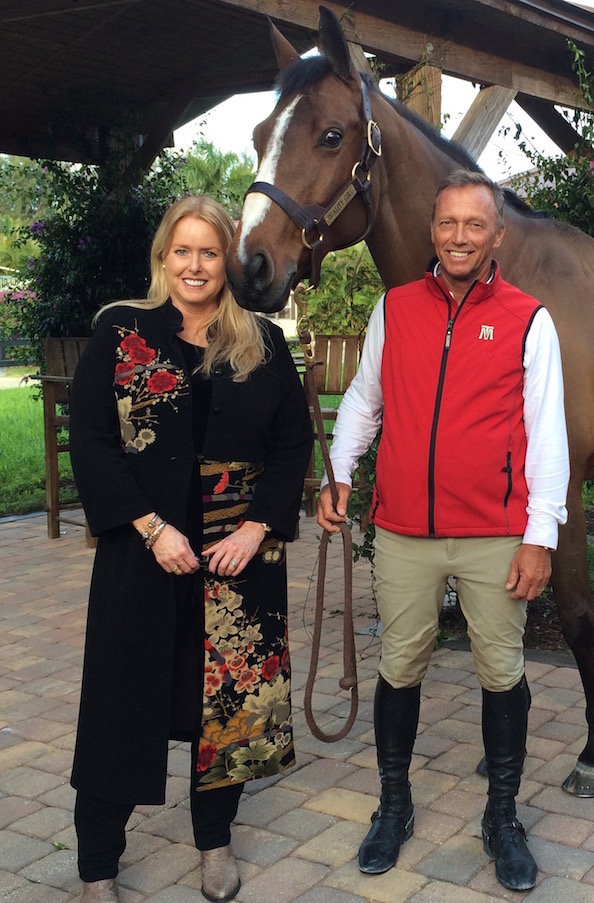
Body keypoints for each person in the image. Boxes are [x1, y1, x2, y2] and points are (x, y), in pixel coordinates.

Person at [317, 170, 569, 892]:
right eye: (448, 223)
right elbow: (365, 400)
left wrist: (539, 535)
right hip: (402, 529)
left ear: (497, 235)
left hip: (496, 532)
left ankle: (502, 815)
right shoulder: (394, 310)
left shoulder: (529, 318)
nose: (460, 236)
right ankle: (393, 805)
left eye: (474, 224)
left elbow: (546, 434)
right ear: (433, 232)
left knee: (502, 669)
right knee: (400, 665)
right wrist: (340, 471)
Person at [69, 194, 313, 903]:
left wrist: (256, 527)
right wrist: (150, 526)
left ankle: (215, 844)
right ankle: (97, 868)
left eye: (209, 251)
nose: (195, 265)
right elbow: (93, 441)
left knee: (227, 708)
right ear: (162, 258)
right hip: (141, 556)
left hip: (237, 562)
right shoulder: (122, 332)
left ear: (226, 261)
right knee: (119, 705)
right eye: (183, 251)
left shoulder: (262, 341)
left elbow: (293, 442)